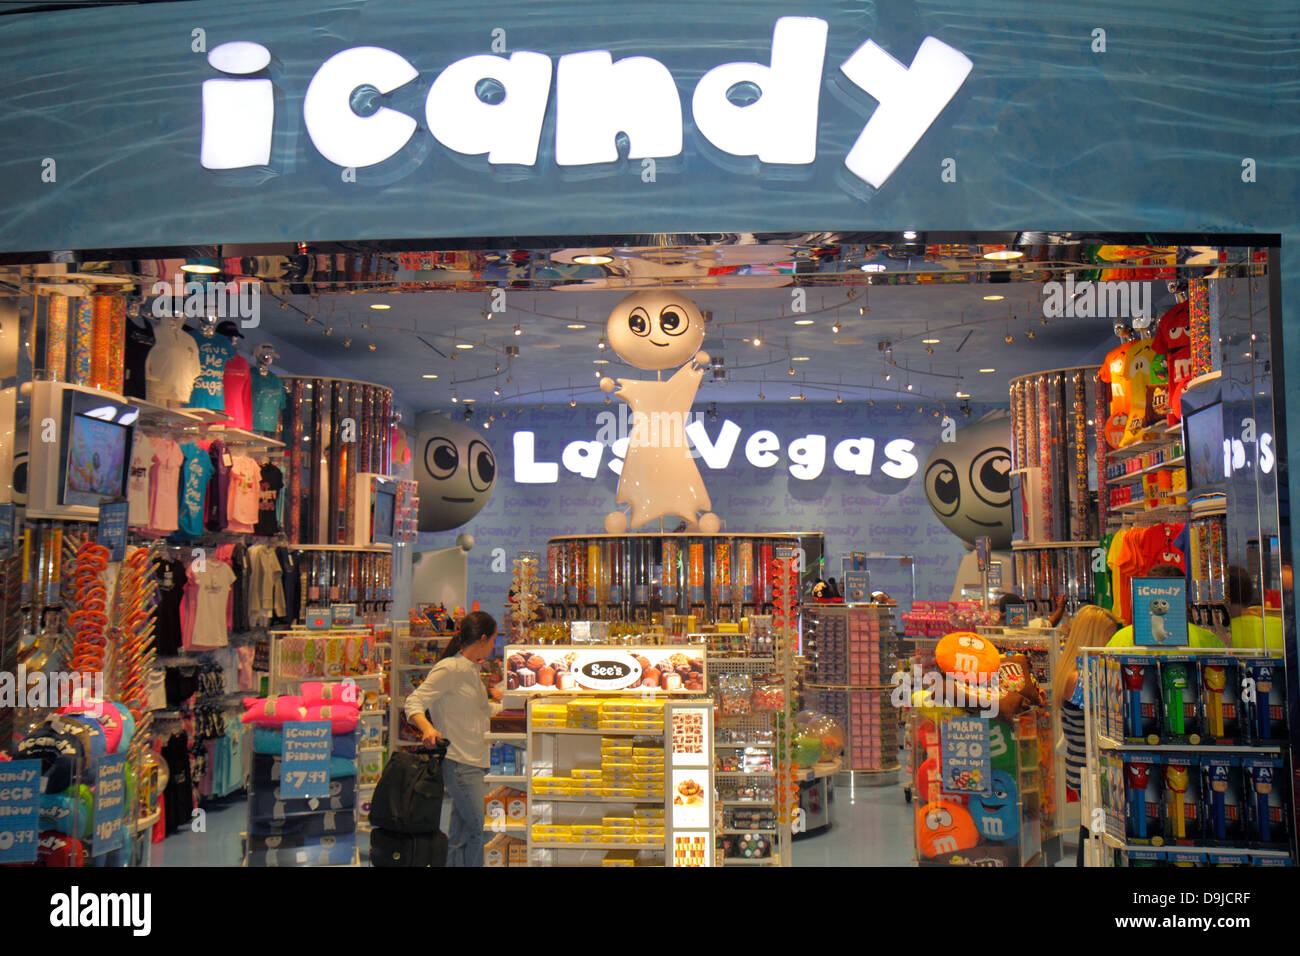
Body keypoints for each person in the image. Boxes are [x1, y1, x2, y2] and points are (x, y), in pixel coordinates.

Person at [404, 610, 502, 867]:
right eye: (493, 640)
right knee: (484, 828)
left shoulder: (470, 669)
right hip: (460, 763)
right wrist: (427, 728)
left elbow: (482, 712)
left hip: (476, 760)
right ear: (482, 639)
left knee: (461, 836)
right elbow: (414, 701)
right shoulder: (449, 669)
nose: (494, 646)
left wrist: (513, 704)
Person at [1050, 604, 1121, 865]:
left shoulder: (1071, 672)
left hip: (1084, 768)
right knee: (1093, 835)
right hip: (1089, 770)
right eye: (1109, 636)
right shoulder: (1079, 678)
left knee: (1090, 832)